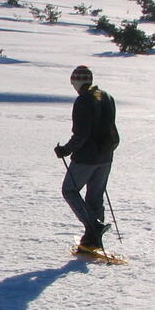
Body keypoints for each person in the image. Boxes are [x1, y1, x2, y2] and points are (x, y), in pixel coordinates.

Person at [54, 65, 119, 251]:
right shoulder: (106, 96)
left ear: (76, 82)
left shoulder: (83, 100)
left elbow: (81, 134)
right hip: (106, 155)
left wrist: (65, 150)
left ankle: (95, 227)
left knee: (69, 190)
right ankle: (92, 240)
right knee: (95, 197)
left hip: (87, 157)